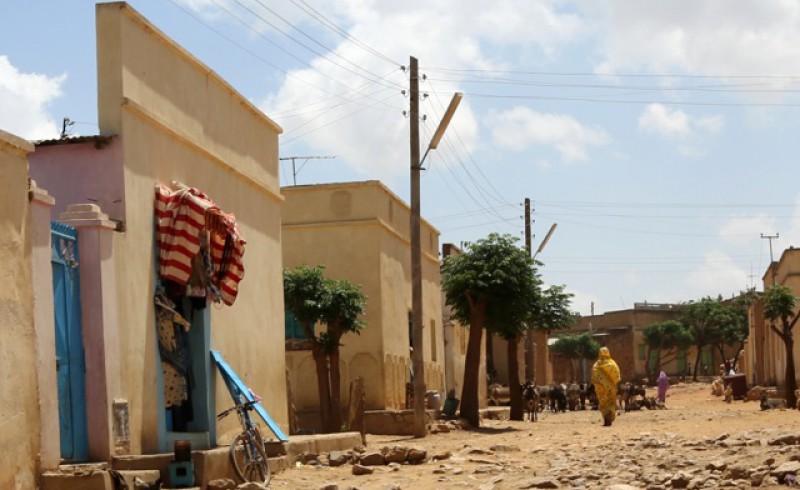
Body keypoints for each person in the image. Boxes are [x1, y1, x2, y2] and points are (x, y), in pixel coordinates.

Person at [591, 347, 621, 427]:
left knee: (604, 404)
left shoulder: (596, 365)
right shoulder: (612, 363)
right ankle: (610, 417)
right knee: (610, 403)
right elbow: (616, 374)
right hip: (611, 388)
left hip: (601, 389)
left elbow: (594, 376)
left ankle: (606, 420)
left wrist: (599, 384)